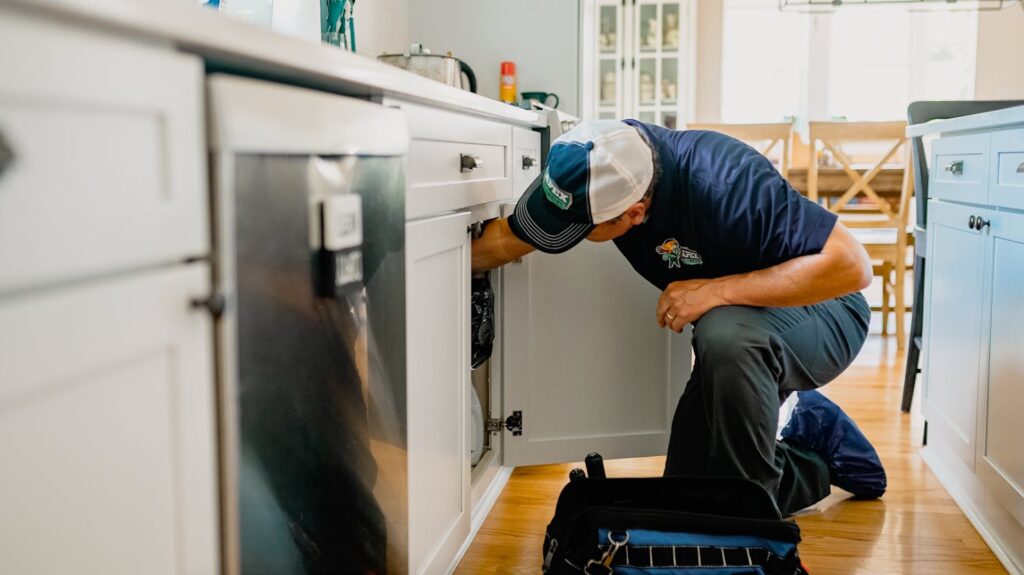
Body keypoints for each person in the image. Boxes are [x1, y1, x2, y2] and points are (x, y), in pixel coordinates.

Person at [471, 120, 886, 515]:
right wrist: (439, 271)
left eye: (582, 228)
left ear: (633, 214)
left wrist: (717, 291)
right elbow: (508, 238)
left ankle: (751, 523)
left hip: (825, 307)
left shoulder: (727, 183)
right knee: (686, 492)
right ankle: (817, 447)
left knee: (724, 334)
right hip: (741, 328)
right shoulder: (592, 160)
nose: (567, 232)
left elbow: (852, 266)